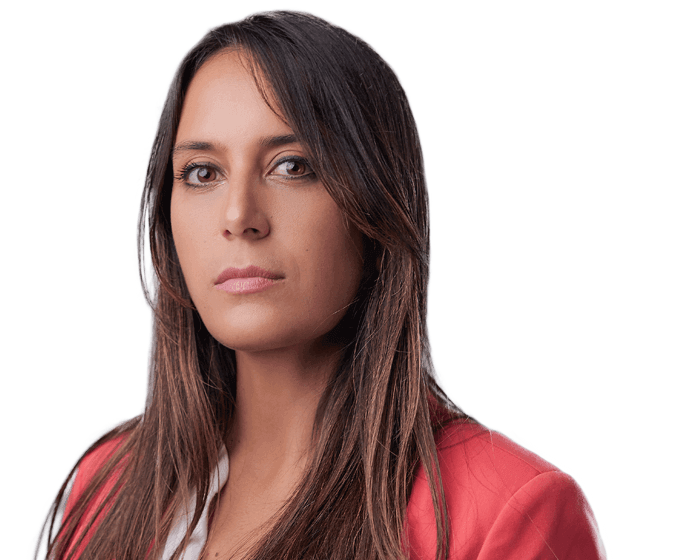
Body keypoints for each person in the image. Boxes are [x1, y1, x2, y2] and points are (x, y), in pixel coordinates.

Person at [30, 9, 607, 560]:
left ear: (376, 206)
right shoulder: (103, 487)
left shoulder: (512, 512)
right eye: (202, 173)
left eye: (292, 166)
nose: (239, 216)